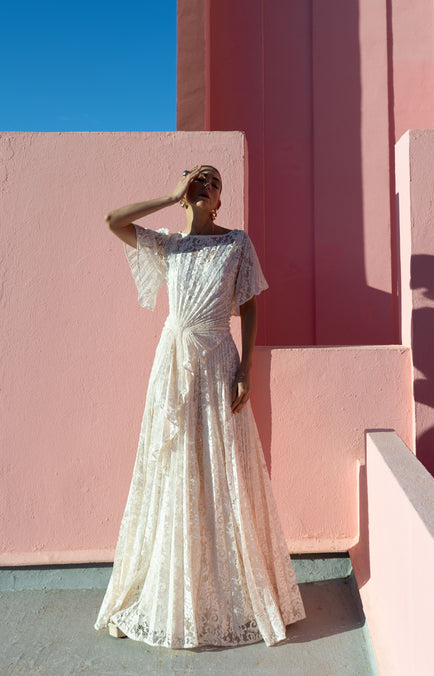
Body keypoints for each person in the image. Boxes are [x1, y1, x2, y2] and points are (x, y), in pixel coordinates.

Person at [94, 165, 305, 648]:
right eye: (197, 177)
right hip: (173, 365)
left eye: (213, 180)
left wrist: (246, 369)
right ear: (188, 195)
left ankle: (228, 593)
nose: (203, 182)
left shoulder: (237, 243)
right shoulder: (169, 245)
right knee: (174, 468)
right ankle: (170, 592)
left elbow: (249, 306)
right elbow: (113, 220)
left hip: (217, 361)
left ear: (218, 200)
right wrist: (169, 195)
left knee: (222, 467)